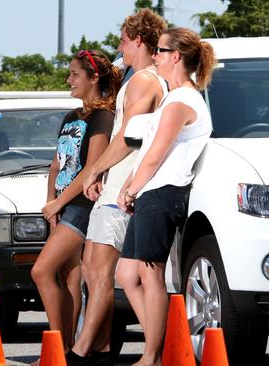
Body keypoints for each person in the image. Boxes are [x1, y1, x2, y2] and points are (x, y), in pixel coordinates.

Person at [116, 27, 216, 366]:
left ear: (176, 56)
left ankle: (152, 355)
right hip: (149, 191)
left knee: (150, 273)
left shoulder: (183, 100)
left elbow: (157, 155)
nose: (154, 57)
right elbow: (148, 153)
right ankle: (162, 345)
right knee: (127, 275)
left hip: (163, 193)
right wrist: (129, 184)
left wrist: (131, 188)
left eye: (159, 51)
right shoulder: (175, 98)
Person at [74, 9, 167, 365]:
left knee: (100, 268)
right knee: (96, 268)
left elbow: (128, 137)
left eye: (124, 40)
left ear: (139, 41)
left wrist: (94, 170)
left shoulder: (145, 80)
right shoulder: (138, 76)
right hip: (118, 186)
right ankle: (97, 347)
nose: (119, 46)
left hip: (124, 189)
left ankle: (86, 350)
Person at [30, 50, 121, 357]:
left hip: (82, 206)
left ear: (94, 78)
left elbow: (90, 168)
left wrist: (60, 205)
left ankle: (58, 348)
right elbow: (57, 165)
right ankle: (68, 349)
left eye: (75, 75)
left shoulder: (103, 117)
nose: (68, 80)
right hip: (62, 204)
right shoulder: (71, 117)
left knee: (41, 271)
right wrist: (50, 201)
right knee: (69, 278)